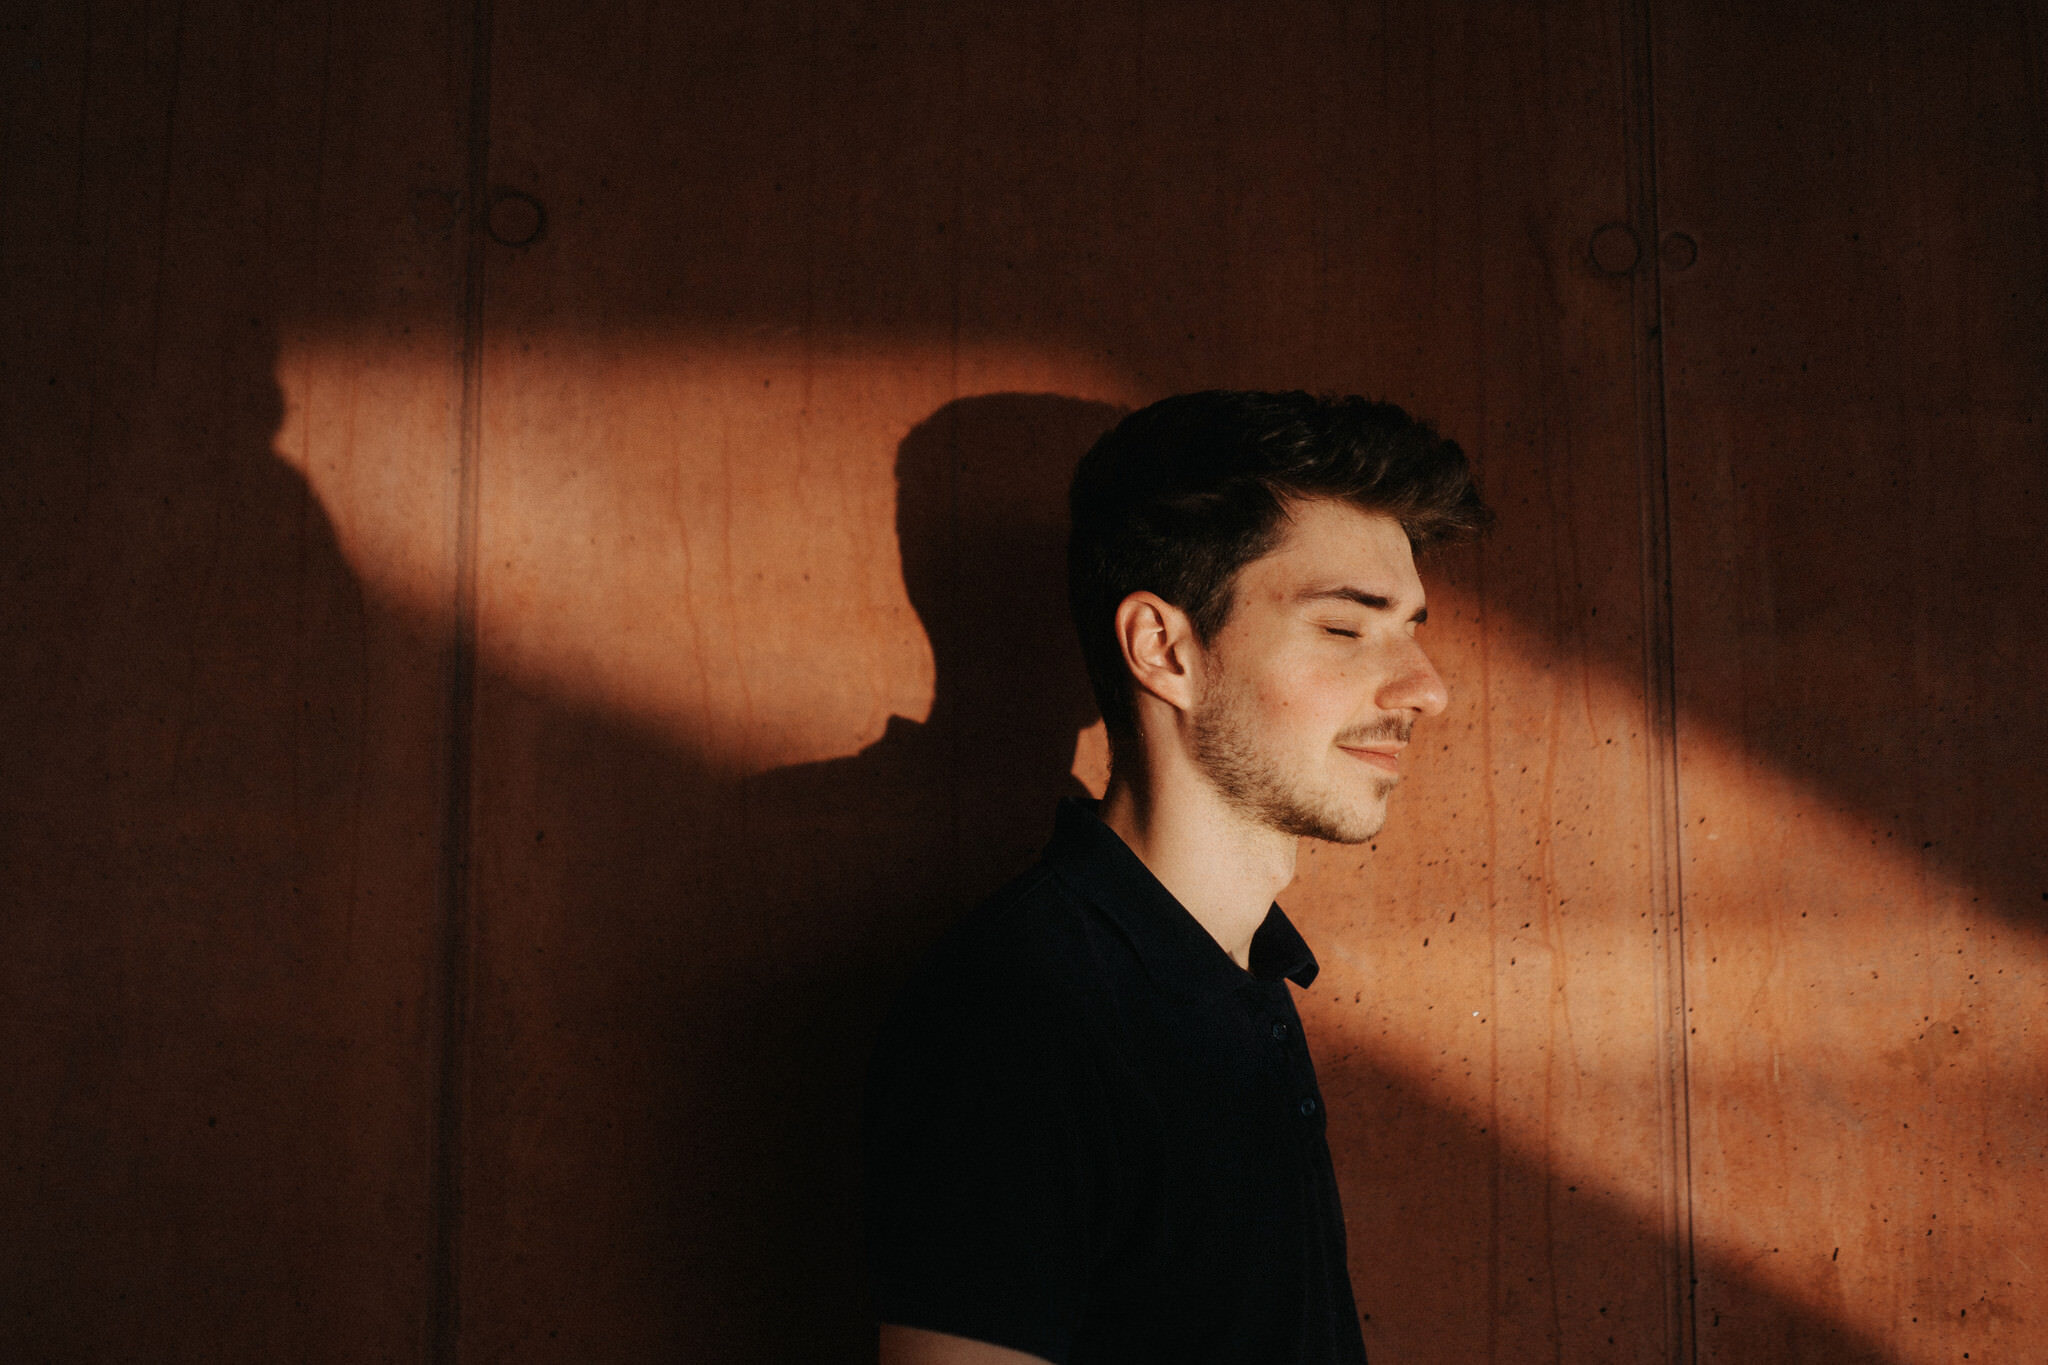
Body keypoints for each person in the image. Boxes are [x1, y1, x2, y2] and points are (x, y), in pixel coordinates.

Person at [861, 389, 1492, 1364]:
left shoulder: (1245, 976)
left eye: (1410, 625)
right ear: (1165, 650)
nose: (1427, 687)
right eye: (1345, 628)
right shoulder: (1020, 1008)